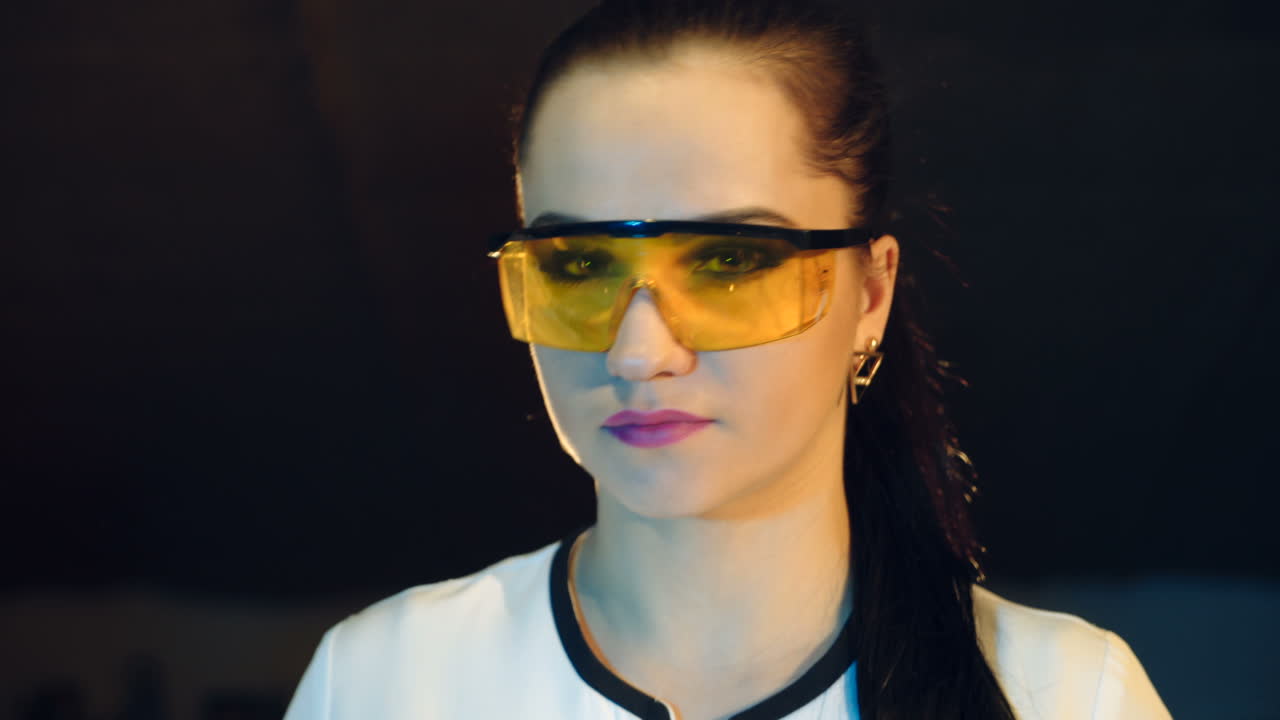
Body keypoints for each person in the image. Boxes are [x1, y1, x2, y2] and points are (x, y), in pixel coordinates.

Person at [283, 1, 1172, 718]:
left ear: (871, 294)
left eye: (730, 260)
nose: (639, 352)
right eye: (582, 266)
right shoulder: (383, 684)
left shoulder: (1067, 697)